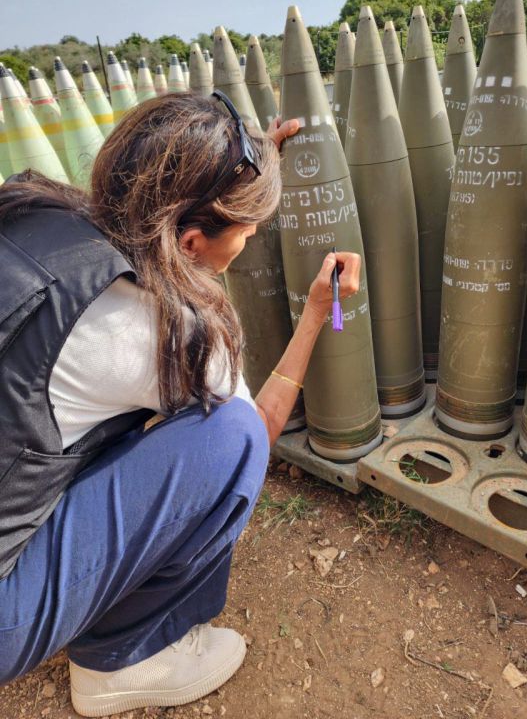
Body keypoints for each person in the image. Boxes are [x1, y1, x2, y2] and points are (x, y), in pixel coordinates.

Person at [0, 91, 361, 717]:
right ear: (192, 241)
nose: (248, 243)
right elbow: (259, 429)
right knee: (229, 437)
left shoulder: (29, 208)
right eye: (246, 232)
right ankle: (119, 659)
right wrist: (313, 316)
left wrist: (244, 172)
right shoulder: (165, 334)